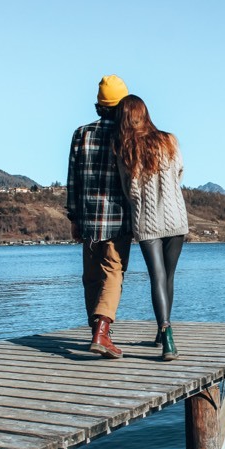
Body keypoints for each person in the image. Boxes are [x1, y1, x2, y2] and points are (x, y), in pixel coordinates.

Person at [116, 94, 188, 361]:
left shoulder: (126, 148)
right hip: (176, 218)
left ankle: (166, 335)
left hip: (147, 220)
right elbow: (180, 172)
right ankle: (163, 330)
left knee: (156, 277)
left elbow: (129, 190)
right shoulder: (170, 140)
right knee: (168, 276)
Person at [66, 75, 132, 358]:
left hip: (88, 218)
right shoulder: (126, 135)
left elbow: (73, 180)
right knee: (113, 274)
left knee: (91, 277)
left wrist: (73, 217)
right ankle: (102, 333)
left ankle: (96, 332)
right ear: (122, 105)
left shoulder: (81, 133)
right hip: (118, 219)